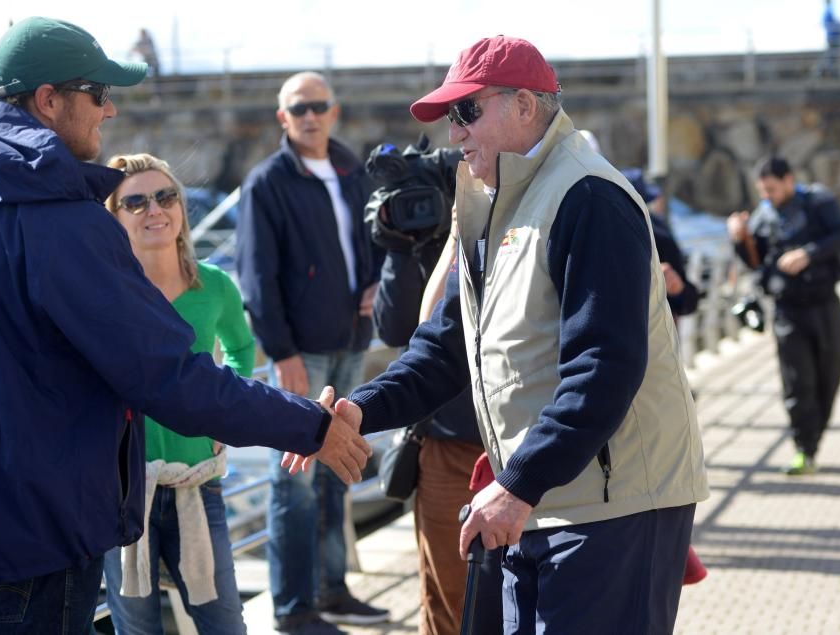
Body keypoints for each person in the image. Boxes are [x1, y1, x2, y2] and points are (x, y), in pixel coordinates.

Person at [0, 17, 371, 634]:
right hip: (28, 539)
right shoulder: (59, 218)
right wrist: (309, 426)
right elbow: (168, 376)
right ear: (49, 100)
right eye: (99, 94)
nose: (109, 111)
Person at [287, 35, 710, 633]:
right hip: (541, 501)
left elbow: (605, 365)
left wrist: (517, 484)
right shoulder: (498, 206)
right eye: (448, 118)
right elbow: (444, 346)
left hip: (612, 504)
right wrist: (360, 409)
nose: (454, 133)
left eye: (466, 112)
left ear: (524, 107)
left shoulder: (589, 196)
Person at [236, 71, 388, 634]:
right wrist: (281, 350)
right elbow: (257, 276)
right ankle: (293, 607)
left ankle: (333, 590)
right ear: (283, 117)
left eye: (318, 106)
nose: (309, 115)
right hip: (303, 350)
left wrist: (380, 284)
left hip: (352, 340)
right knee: (293, 482)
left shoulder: (354, 172)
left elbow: (375, 244)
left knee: (336, 471)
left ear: (334, 112)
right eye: (298, 108)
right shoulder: (267, 182)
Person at [100, 153, 251, 634]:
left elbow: (242, 349)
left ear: (181, 208)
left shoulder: (216, 284)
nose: (155, 210)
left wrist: (224, 420)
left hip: (197, 483)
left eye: (166, 197)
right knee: (137, 629)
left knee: (224, 623)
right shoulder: (104, 292)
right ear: (115, 217)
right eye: (136, 202)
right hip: (121, 493)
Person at [369, 150, 502, 635]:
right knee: (450, 598)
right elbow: (403, 329)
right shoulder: (429, 234)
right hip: (448, 442)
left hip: (523, 444)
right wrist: (404, 247)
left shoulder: (531, 213)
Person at [727, 156, 840, 475]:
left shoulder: (818, 201)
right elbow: (755, 264)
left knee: (830, 374)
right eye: (762, 191)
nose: (766, 196)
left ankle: (814, 438)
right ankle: (803, 448)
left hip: (825, 304)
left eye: (771, 189)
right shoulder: (762, 217)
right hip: (788, 310)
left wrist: (807, 254)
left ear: (789, 180)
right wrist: (739, 239)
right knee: (798, 382)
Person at [623, 168, 700, 319]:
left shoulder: (657, 232)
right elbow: (686, 299)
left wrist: (678, 289)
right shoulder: (658, 229)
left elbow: (684, 296)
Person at [821, 0, 840, 77]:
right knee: (832, 57)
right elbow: (829, 23)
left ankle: (832, 72)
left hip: (832, 37)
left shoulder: (828, 11)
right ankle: (831, 73)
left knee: (832, 57)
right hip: (833, 37)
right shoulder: (828, 11)